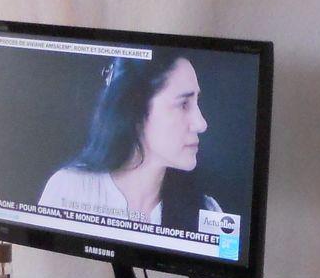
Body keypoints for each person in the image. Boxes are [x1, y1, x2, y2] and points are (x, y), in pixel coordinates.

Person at [40, 52, 224, 229]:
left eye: (196, 102)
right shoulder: (69, 190)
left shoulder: (208, 213)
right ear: (135, 110)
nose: (201, 124)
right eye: (183, 104)